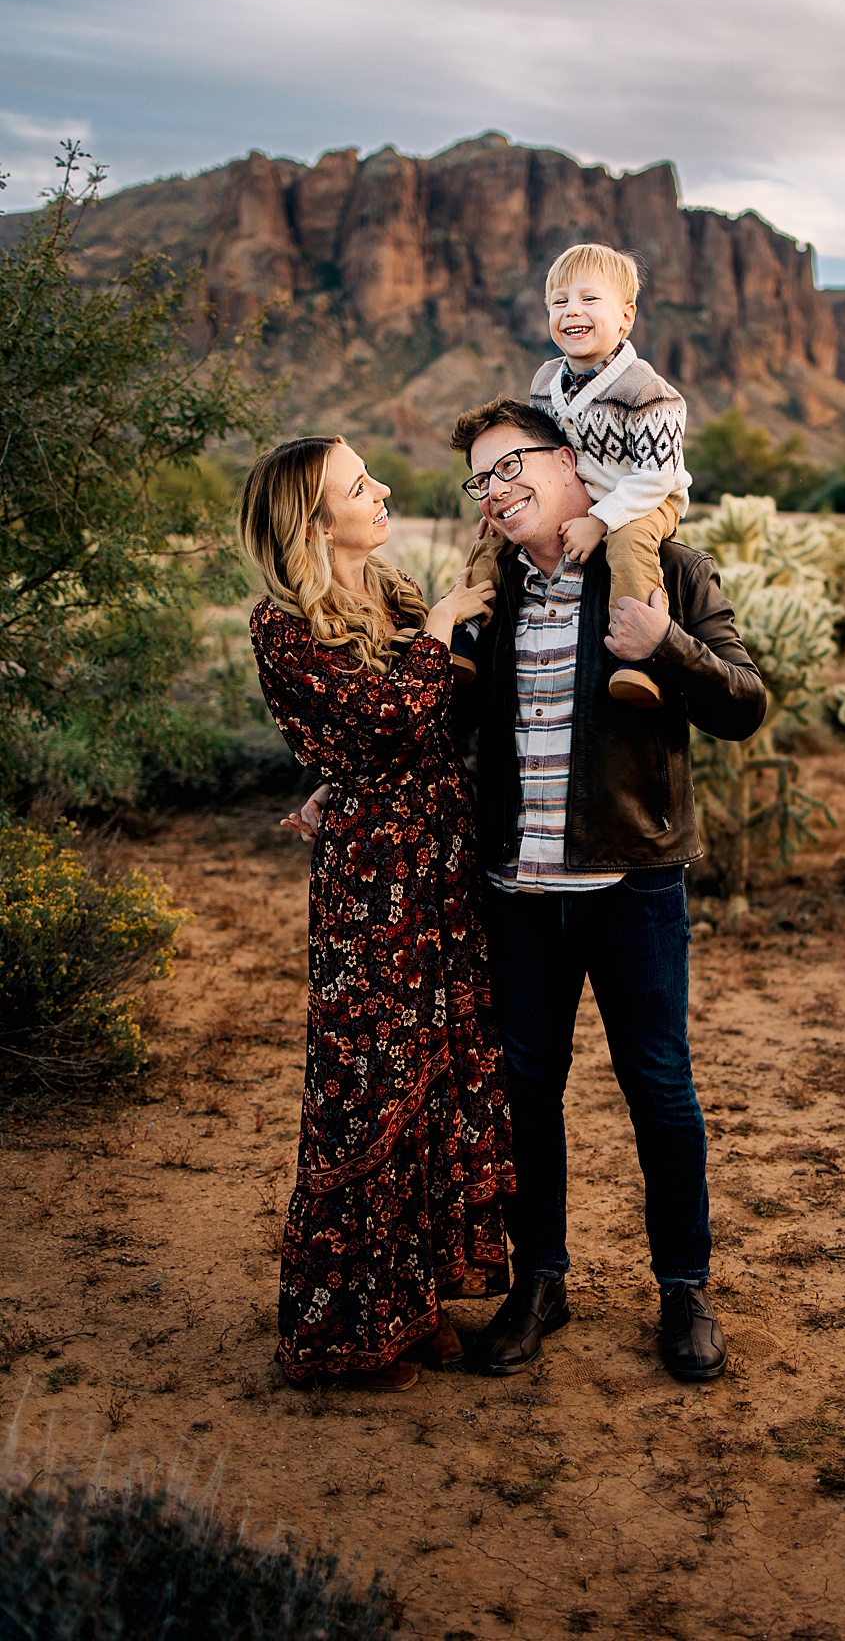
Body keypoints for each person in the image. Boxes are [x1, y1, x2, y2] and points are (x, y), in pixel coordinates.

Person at [292, 399, 766, 1381]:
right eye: (482, 478)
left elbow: (744, 702)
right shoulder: (489, 593)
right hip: (513, 891)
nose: (495, 491)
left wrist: (664, 645)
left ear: (574, 461)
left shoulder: (665, 568)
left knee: (659, 1088)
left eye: (512, 467)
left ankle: (684, 1289)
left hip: (633, 882)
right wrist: (347, 781)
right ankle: (541, 1282)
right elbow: (437, 723)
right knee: (524, 1092)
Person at [240, 434, 515, 1391]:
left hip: (440, 863)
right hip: (373, 884)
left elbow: (442, 715)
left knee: (439, 1073)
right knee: (370, 1088)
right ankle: (346, 1330)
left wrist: (462, 598)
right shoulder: (281, 625)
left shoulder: (393, 597)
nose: (382, 489)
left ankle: (415, 1302)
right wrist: (441, 626)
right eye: (360, 486)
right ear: (315, 525)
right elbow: (388, 720)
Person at [460, 243, 690, 710]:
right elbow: (543, 455)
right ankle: (464, 633)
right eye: (559, 302)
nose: (572, 311)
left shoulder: (648, 392)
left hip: (646, 498)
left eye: (589, 299)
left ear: (625, 317)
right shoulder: (546, 381)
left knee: (629, 544)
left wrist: (601, 521)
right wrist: (507, 502)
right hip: (586, 499)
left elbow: (658, 476)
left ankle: (636, 656)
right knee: (491, 538)